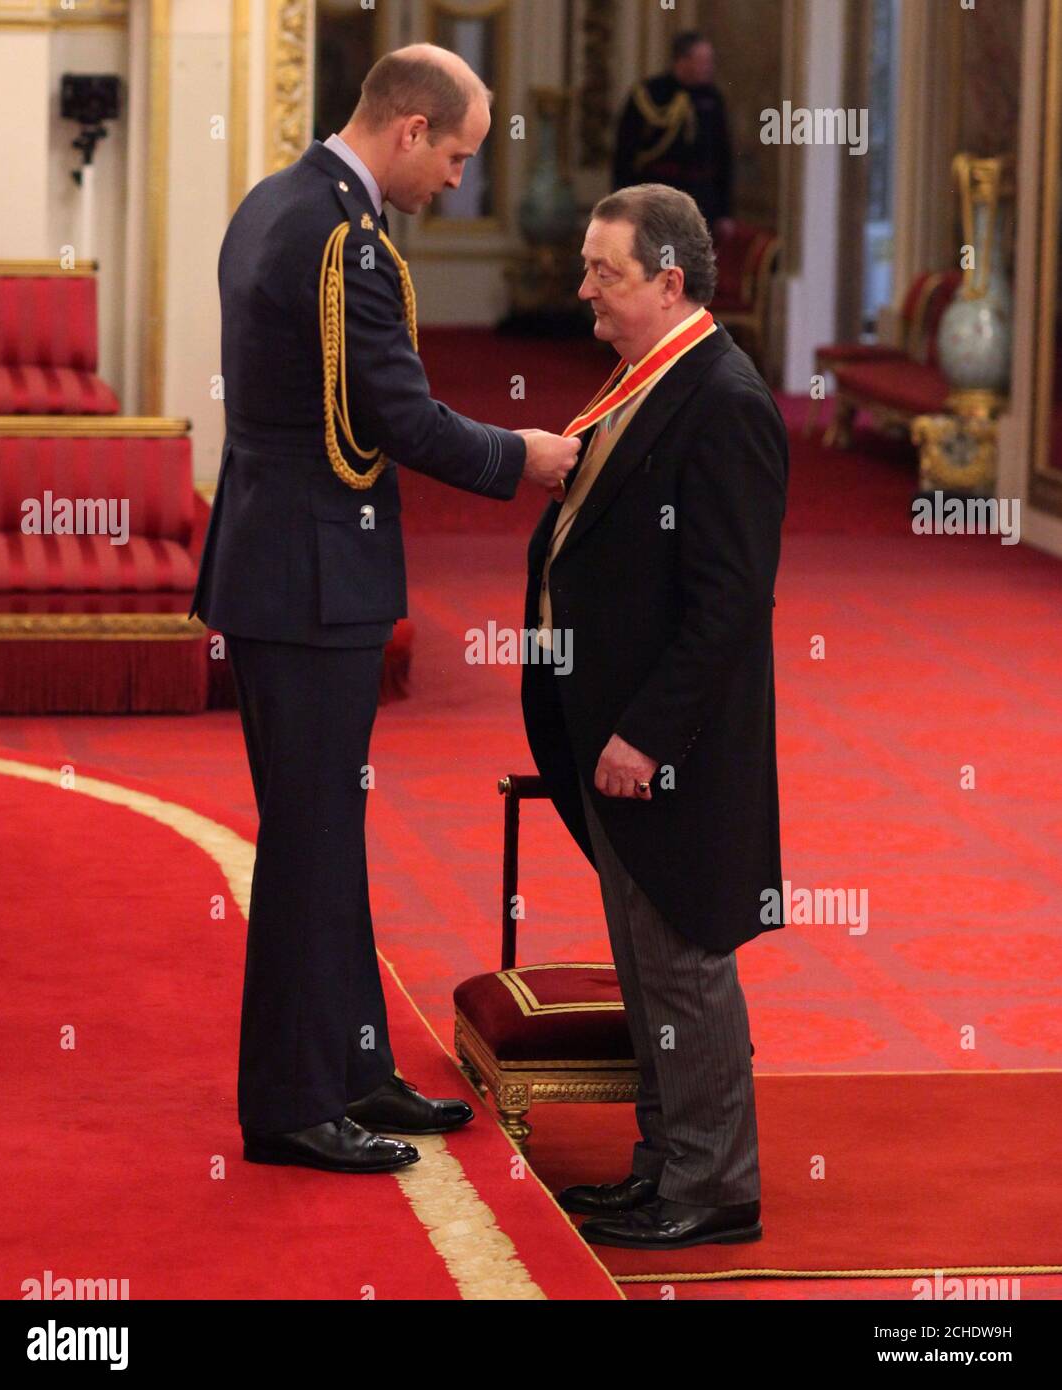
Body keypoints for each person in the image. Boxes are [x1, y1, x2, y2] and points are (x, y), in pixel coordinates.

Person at [190, 44, 579, 1176]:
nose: (458, 179)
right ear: (408, 130)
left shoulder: (274, 201)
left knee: (327, 834)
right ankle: (289, 1105)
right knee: (310, 846)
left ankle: (354, 1063)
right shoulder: (342, 242)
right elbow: (400, 418)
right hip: (312, 579)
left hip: (277, 562)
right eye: (455, 155)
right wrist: (526, 456)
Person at [521, 184, 787, 1249]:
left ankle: (712, 1185)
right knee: (646, 966)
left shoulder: (721, 400)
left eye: (604, 272)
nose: (582, 288)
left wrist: (645, 735)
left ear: (668, 281)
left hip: (668, 749)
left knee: (682, 962)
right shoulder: (644, 379)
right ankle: (662, 1163)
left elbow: (729, 603)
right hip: (614, 732)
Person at [613, 32, 735, 239]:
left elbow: (723, 157)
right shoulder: (650, 94)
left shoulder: (713, 97)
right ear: (682, 60)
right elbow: (624, 152)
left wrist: (725, 212)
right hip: (658, 197)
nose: (709, 67)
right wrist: (623, 204)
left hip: (702, 200)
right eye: (702, 61)